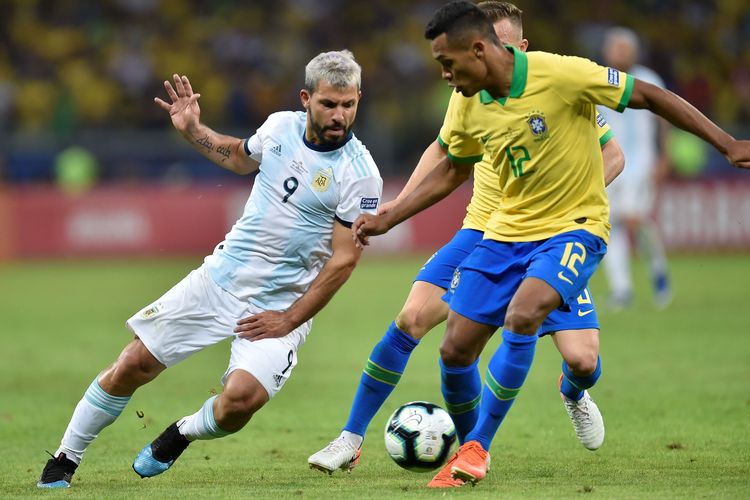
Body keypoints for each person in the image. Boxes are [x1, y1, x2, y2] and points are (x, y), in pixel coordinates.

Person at [353, 1, 750, 488]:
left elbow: (648, 95)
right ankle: (471, 437)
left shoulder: (562, 74)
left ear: (479, 50)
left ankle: (477, 449)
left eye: (447, 62)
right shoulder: (467, 100)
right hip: (504, 233)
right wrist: (392, 215)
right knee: (455, 350)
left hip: (573, 228)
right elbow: (454, 167)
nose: (444, 74)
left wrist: (727, 143)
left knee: (529, 317)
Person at [36, 50, 383, 489]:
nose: (339, 115)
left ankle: (180, 433)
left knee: (240, 402)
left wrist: (290, 318)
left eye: (348, 105)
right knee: (132, 363)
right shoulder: (279, 127)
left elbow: (344, 259)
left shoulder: (360, 173)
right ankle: (66, 457)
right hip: (220, 278)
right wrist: (194, 131)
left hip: (281, 304)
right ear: (305, 98)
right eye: (329, 104)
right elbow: (239, 156)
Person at [308, 1, 624, 477]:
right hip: (484, 234)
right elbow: (445, 155)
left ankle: (573, 391)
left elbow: (614, 156)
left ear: (517, 48)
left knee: (582, 360)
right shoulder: (469, 96)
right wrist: (395, 208)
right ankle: (355, 438)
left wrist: (571, 205)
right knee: (414, 319)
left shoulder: (553, 84)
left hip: (553, 235)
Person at [599, 27, 672, 310]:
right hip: (610, 162)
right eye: (615, 48)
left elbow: (663, 121)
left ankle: (658, 269)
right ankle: (622, 290)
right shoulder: (597, 80)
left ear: (634, 51)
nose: (619, 53)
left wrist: (664, 156)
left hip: (642, 163)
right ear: (607, 51)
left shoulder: (650, 79)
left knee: (633, 219)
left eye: (624, 48)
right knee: (608, 225)